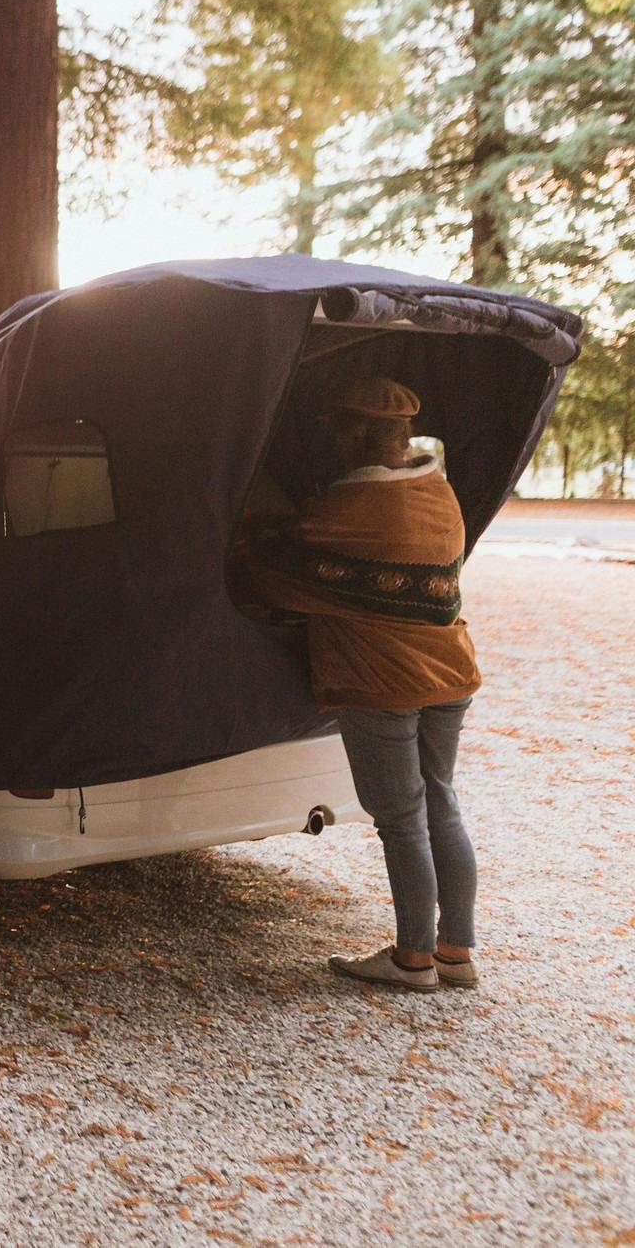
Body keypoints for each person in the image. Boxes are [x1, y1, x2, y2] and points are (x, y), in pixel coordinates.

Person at [241, 375, 482, 992]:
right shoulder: (442, 495)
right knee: (440, 800)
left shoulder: (346, 508)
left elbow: (271, 572)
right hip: (451, 671)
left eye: (336, 428)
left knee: (401, 817)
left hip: (382, 681)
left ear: (354, 432)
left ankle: (412, 960)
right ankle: (456, 952)